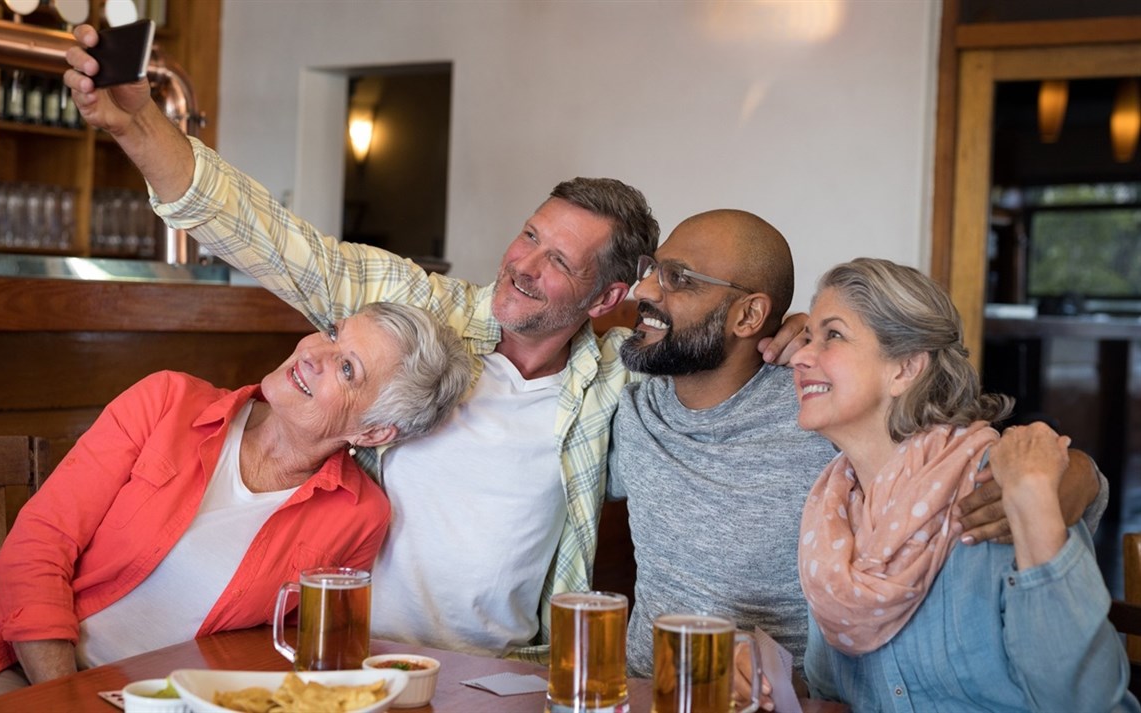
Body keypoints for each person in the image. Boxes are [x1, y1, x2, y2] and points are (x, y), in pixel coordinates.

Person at [63, 26, 813, 660]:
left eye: (558, 260)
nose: (523, 264)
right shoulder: (419, 312)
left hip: (504, 673)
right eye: (529, 235)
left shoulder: (620, 386)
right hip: (347, 651)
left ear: (606, 298)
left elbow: (713, 359)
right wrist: (137, 125)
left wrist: (792, 334)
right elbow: (265, 235)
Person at [0, 302, 470, 694]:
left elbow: (299, 649)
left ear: (372, 432)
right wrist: (66, 697)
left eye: (347, 368)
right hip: (27, 670)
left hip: (176, 702)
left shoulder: (359, 515)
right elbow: (37, 546)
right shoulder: (167, 402)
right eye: (331, 332)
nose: (312, 354)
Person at [787, 258, 1136, 711]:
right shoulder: (830, 517)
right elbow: (832, 697)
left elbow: (1089, 701)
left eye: (833, 335)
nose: (800, 357)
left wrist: (1035, 502)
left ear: (905, 368)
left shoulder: (1001, 484)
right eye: (807, 338)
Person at [608, 210, 836, 683]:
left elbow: (944, 455)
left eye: (678, 278)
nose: (643, 290)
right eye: (651, 269)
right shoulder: (633, 409)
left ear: (748, 315)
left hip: (772, 701)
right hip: (643, 693)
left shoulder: (821, 416)